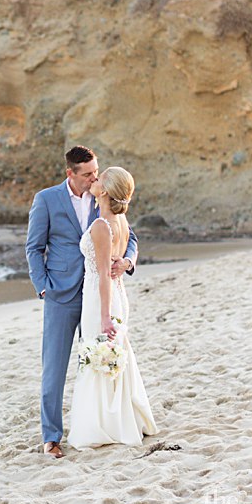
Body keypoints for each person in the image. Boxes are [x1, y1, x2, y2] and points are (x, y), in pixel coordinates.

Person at [26, 146, 137, 458]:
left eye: (96, 172)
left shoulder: (104, 198)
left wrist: (127, 262)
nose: (94, 178)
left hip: (96, 293)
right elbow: (33, 247)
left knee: (97, 363)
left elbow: (131, 237)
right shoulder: (46, 200)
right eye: (87, 174)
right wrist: (43, 286)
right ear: (70, 173)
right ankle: (51, 437)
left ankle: (100, 426)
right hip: (60, 294)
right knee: (54, 368)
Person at [67, 167, 159, 448]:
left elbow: (105, 274)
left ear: (105, 191)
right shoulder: (119, 220)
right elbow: (120, 255)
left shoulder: (101, 226)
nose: (94, 179)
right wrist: (127, 262)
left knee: (99, 352)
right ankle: (122, 417)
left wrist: (105, 316)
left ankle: (104, 425)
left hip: (101, 297)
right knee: (113, 353)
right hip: (116, 294)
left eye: (100, 177)